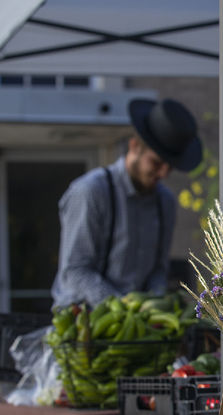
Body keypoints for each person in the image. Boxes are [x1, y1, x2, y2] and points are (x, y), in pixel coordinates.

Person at [52, 98, 202, 308]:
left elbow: (158, 269)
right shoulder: (91, 192)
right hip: (82, 320)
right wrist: (123, 308)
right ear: (134, 146)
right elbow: (75, 271)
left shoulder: (165, 202)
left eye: (170, 167)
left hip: (137, 325)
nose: (163, 174)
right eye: (156, 162)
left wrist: (156, 303)